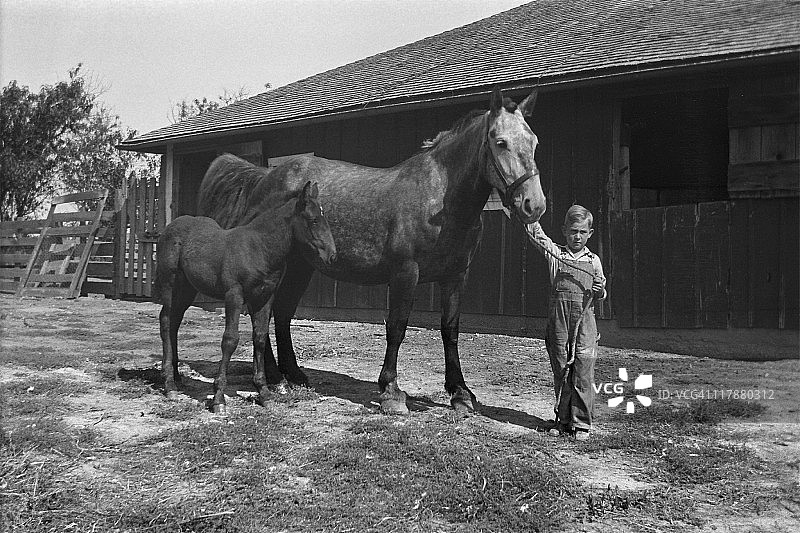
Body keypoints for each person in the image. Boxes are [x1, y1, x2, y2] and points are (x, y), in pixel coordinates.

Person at [528, 205, 606, 441]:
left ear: (590, 233)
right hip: (559, 322)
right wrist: (527, 213)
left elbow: (602, 293)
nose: (577, 237)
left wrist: (600, 290)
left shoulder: (594, 261)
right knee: (561, 370)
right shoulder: (557, 255)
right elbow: (538, 236)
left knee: (583, 371)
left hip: (584, 323)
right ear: (564, 231)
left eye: (582, 232)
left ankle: (581, 424)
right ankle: (563, 420)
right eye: (573, 231)